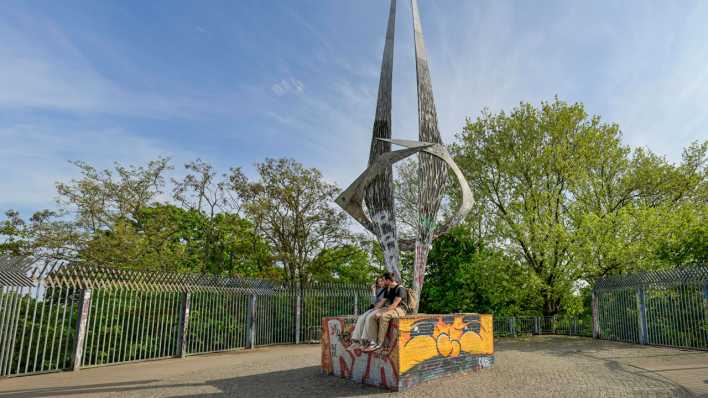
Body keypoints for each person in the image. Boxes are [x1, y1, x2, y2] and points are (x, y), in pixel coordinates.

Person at [363, 272, 409, 352]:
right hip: (391, 308)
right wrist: (374, 310)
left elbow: (394, 305)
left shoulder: (400, 289)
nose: (383, 282)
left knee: (384, 316)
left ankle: (380, 343)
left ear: (388, 280)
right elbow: (382, 302)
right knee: (371, 316)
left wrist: (381, 313)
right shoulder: (389, 288)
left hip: (400, 309)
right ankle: (373, 342)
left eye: (384, 280)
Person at [349, 276, 386, 348]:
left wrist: (376, 306)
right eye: (379, 281)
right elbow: (374, 302)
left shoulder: (387, 290)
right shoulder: (377, 290)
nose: (380, 283)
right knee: (361, 318)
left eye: (382, 281)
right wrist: (373, 292)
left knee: (368, 318)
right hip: (375, 307)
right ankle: (356, 339)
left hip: (382, 308)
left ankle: (365, 340)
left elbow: (382, 303)